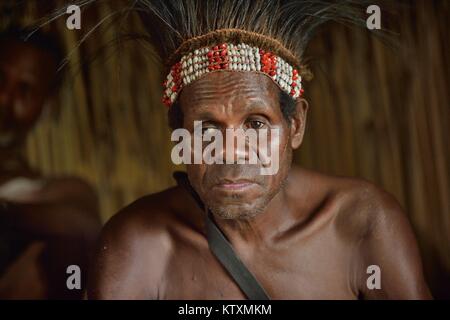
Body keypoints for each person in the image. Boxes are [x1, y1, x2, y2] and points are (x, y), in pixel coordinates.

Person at [88, 0, 431, 299]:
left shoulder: (361, 224)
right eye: (207, 128)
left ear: (295, 125)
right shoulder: (138, 246)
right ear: (179, 134)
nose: (231, 151)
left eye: (255, 123)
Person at [0, 27, 101, 299]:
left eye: (25, 89)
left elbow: (84, 227)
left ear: (47, 104)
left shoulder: (53, 193)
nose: (4, 99)